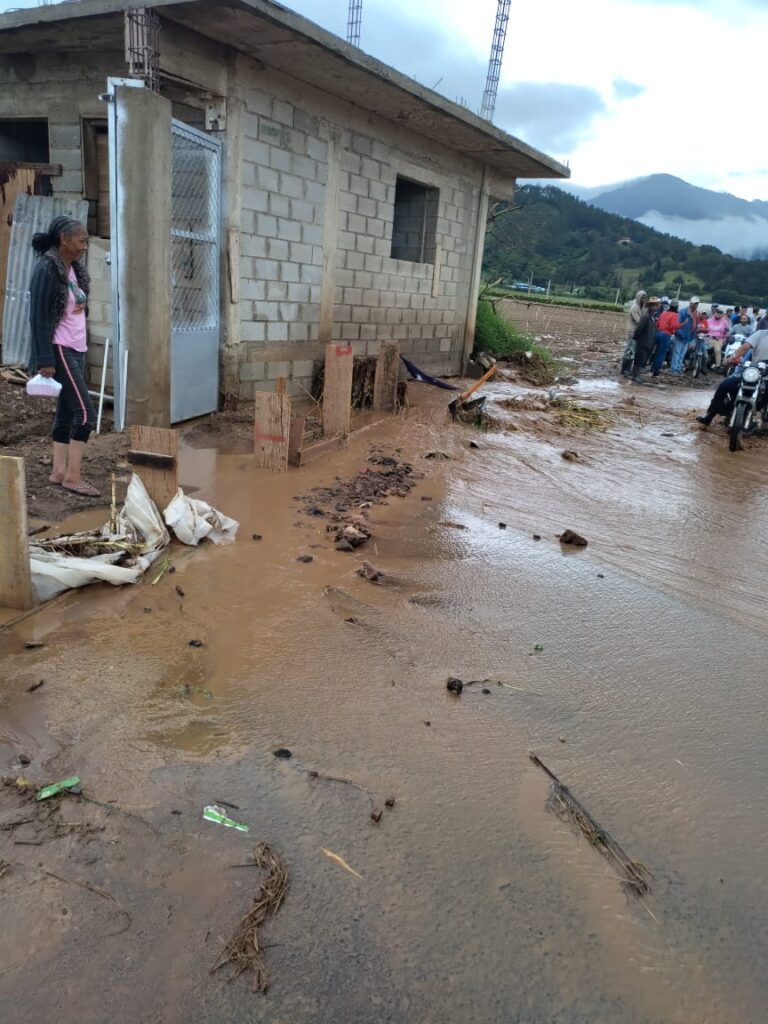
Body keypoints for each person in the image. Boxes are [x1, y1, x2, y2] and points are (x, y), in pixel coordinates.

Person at [28, 215, 98, 496]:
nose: (85, 245)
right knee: (86, 414)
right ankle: (73, 476)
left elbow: (75, 308)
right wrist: (44, 359)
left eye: (86, 240)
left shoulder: (74, 270)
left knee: (67, 413)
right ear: (64, 240)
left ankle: (58, 472)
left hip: (77, 346)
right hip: (59, 347)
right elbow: (38, 317)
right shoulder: (46, 269)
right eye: (81, 240)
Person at [697, 329, 768, 426]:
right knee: (725, 385)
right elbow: (745, 347)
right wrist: (732, 357)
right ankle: (710, 415)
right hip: (755, 369)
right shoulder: (760, 334)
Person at [630, 295, 661, 384]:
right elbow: (639, 329)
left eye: (656, 305)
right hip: (643, 342)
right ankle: (635, 376)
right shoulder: (645, 317)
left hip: (649, 343)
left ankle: (638, 376)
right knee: (639, 359)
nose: (655, 307)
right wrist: (636, 337)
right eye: (653, 305)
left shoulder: (653, 317)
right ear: (650, 306)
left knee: (643, 360)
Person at [669, 296, 699, 374]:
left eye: (697, 304)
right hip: (680, 336)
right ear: (690, 303)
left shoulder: (696, 313)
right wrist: (678, 333)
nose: (695, 305)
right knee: (677, 352)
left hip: (688, 336)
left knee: (682, 353)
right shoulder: (683, 311)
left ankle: (678, 368)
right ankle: (674, 369)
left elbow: (696, 325)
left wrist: (692, 337)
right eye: (694, 303)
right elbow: (677, 323)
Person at [652, 299, 683, 375]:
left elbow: (657, 324)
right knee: (661, 353)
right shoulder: (675, 315)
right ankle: (656, 371)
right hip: (666, 335)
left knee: (656, 352)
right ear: (677, 307)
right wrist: (682, 324)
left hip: (658, 333)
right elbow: (673, 326)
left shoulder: (664, 313)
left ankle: (652, 368)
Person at [620, 289, 646, 376]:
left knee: (632, 351)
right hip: (632, 331)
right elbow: (639, 321)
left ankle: (628, 368)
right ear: (638, 298)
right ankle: (624, 369)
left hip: (637, 331)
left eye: (644, 298)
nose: (643, 300)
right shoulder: (634, 308)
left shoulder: (641, 307)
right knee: (629, 350)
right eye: (642, 298)